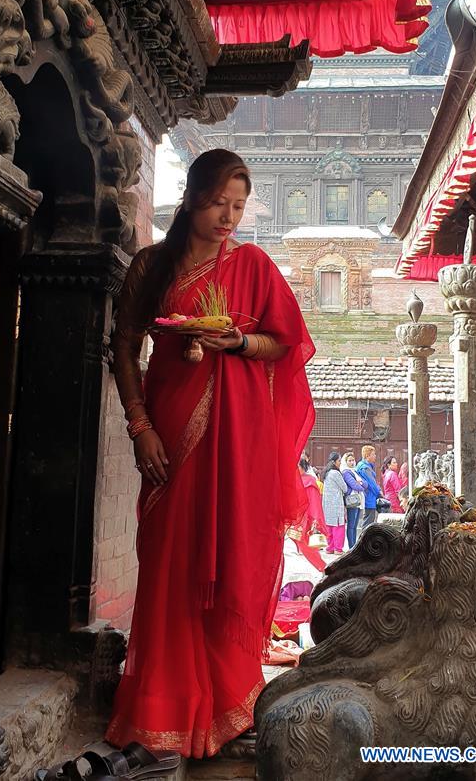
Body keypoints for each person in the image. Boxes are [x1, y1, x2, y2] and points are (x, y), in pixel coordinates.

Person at [106, 149, 315, 757]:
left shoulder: (251, 265)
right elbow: (123, 350)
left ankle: (227, 708)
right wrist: (139, 425)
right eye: (220, 201)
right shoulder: (151, 265)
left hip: (237, 442)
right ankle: (162, 711)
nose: (229, 216)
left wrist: (239, 341)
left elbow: (288, 342)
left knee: (234, 559)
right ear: (192, 195)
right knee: (171, 560)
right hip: (169, 431)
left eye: (240, 206)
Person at [321, 451, 347, 555]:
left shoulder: (326, 473)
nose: (340, 462)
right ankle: (338, 548)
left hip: (327, 503)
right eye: (339, 461)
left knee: (329, 526)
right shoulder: (336, 473)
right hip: (336, 503)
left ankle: (330, 548)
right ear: (334, 462)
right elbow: (344, 488)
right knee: (338, 527)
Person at [340, 452, 366, 548]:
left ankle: (354, 545)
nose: (352, 462)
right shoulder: (346, 472)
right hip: (352, 500)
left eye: (353, 460)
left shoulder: (355, 471)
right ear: (345, 462)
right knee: (351, 525)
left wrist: (360, 483)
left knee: (355, 525)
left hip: (359, 500)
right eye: (349, 460)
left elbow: (365, 484)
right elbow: (355, 486)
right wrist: (360, 484)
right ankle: (351, 546)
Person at [299, 457, 328, 538]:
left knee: (305, 537)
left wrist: (316, 517)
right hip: (296, 512)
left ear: (303, 467)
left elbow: (314, 501)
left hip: (306, 513)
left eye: (298, 466)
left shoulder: (310, 480)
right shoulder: (293, 479)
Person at [355, 445, 381, 529]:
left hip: (367, 497)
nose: (375, 456)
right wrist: (379, 493)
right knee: (368, 524)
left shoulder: (362, 466)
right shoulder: (365, 468)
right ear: (367, 456)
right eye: (373, 454)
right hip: (369, 498)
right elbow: (372, 484)